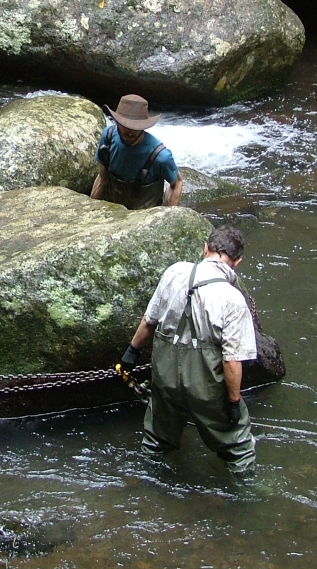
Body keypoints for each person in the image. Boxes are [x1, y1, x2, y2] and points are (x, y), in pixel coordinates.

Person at [118, 226, 257, 474]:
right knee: (238, 444)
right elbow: (232, 361)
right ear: (236, 262)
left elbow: (150, 320)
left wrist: (131, 353)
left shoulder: (174, 273)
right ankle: (247, 491)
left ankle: (146, 481)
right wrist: (234, 402)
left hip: (165, 375)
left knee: (157, 438)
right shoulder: (233, 299)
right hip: (206, 386)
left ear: (206, 248)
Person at [90, 94, 183, 209]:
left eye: (135, 126)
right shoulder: (108, 137)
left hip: (145, 217)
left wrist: (168, 214)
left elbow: (177, 183)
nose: (129, 131)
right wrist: (91, 207)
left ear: (143, 126)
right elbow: (102, 178)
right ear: (116, 121)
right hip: (111, 210)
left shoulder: (161, 156)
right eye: (125, 124)